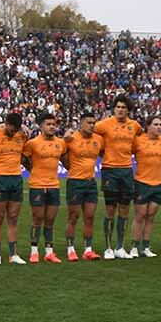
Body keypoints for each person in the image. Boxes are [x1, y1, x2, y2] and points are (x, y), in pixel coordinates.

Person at [94, 96, 141, 259]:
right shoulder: (103, 125)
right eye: (118, 107)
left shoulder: (135, 126)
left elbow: (139, 142)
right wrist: (102, 153)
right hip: (110, 170)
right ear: (113, 109)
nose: (120, 109)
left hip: (127, 171)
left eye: (123, 107)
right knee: (109, 209)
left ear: (128, 110)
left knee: (125, 209)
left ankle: (120, 247)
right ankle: (108, 248)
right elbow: (92, 136)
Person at [22, 112, 66, 263]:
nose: (52, 127)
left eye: (53, 124)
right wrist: (32, 170)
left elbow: (66, 160)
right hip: (37, 185)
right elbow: (24, 159)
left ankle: (49, 251)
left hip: (54, 185)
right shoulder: (32, 143)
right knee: (37, 218)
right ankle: (34, 251)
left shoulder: (61, 143)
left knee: (50, 220)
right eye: (48, 124)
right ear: (41, 126)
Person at [0, 112, 28, 265]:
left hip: (16, 178)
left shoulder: (22, 135)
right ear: (6, 123)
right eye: (11, 129)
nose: (13, 132)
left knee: (13, 218)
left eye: (16, 130)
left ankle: (13, 254)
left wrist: (22, 131)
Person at [64, 112, 104, 261]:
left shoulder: (98, 140)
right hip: (75, 182)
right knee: (73, 216)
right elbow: (62, 155)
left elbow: (105, 153)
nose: (92, 125)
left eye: (94, 123)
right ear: (81, 123)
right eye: (89, 122)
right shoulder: (71, 138)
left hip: (91, 182)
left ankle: (88, 249)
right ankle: (70, 249)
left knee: (90, 216)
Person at [131, 115, 161, 258]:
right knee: (140, 215)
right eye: (156, 124)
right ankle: (134, 246)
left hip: (158, 183)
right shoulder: (138, 141)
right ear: (148, 126)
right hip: (142, 183)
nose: (159, 127)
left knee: (151, 217)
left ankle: (146, 247)